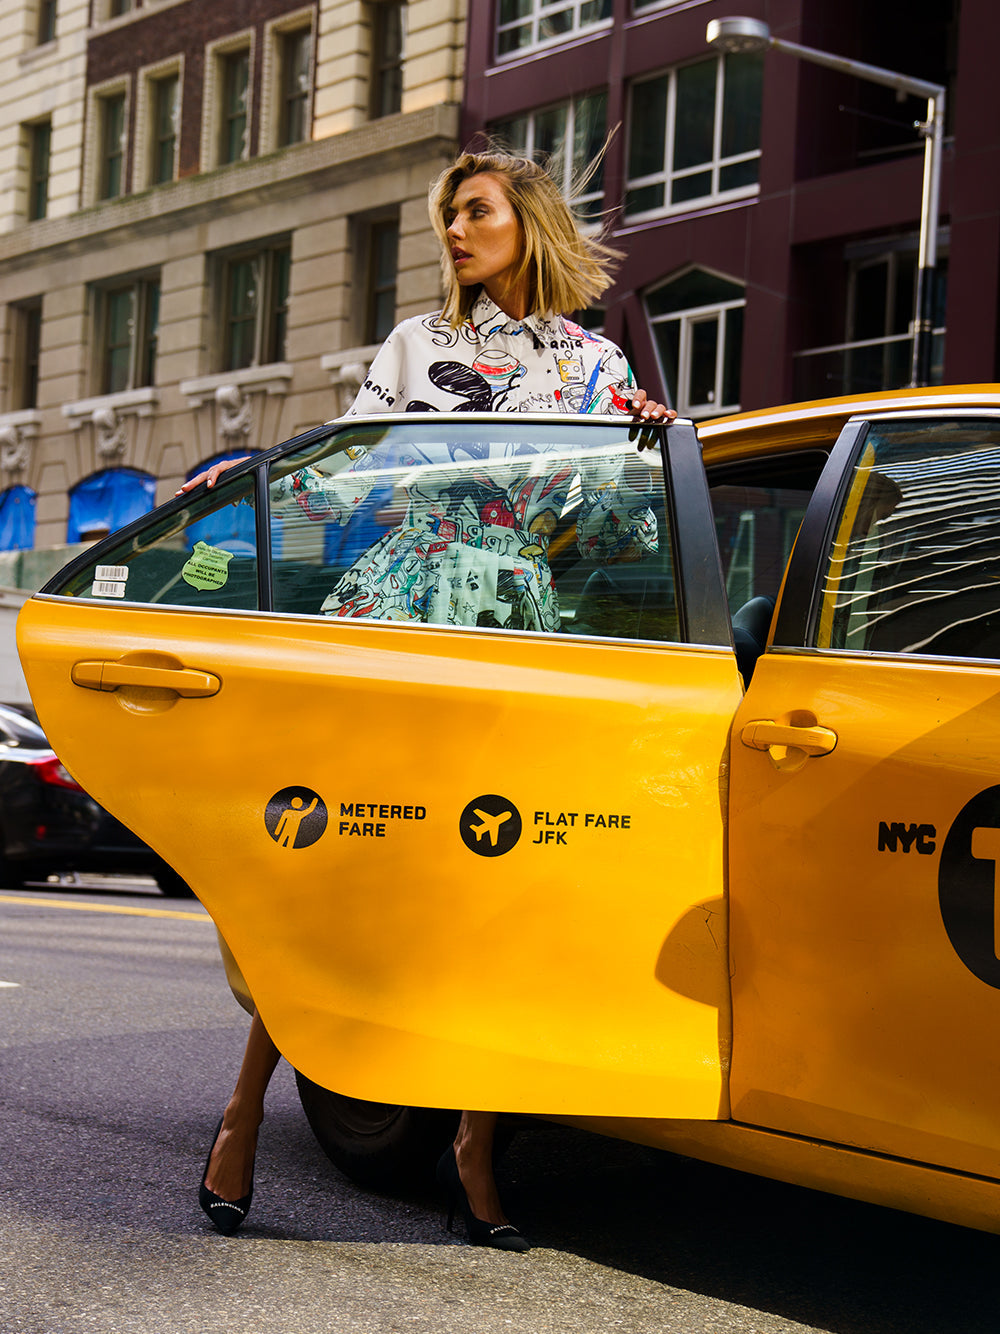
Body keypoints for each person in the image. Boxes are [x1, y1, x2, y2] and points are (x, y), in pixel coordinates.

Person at [183, 145, 675, 1250]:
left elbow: (611, 542)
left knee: (496, 897)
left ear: (524, 222)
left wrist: (640, 445)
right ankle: (241, 1109)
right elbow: (351, 463)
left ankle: (471, 1143)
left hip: (518, 623)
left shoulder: (596, 366)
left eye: (474, 211)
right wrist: (255, 470)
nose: (453, 230)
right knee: (331, 872)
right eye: (448, 214)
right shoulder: (419, 341)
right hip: (402, 599)